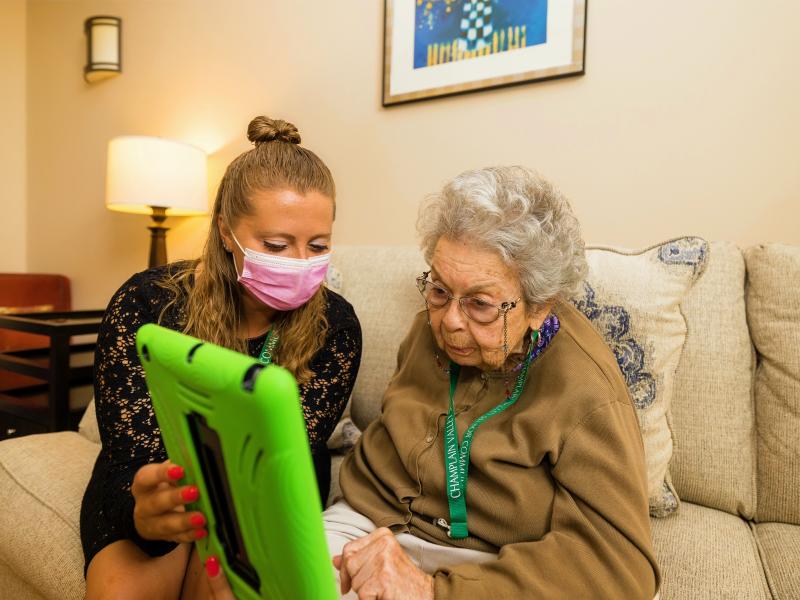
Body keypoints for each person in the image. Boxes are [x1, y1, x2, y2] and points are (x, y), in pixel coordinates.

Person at [326, 166, 661, 598]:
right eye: (440, 290)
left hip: (490, 562)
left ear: (540, 305)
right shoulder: (429, 329)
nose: (449, 321)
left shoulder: (587, 392)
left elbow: (621, 566)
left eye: (480, 304)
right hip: (370, 518)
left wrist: (433, 591)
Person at [80, 116, 362, 599]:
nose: (299, 263)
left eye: (318, 246)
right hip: (152, 484)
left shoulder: (335, 326)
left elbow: (278, 458)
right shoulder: (147, 304)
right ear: (226, 232)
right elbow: (132, 452)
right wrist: (146, 513)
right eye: (276, 245)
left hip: (260, 502)